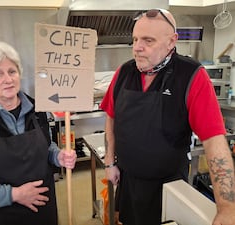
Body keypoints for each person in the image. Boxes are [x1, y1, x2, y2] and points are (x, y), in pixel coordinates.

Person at [100, 8, 235, 225]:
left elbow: (213, 140)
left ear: (172, 41)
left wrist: (227, 207)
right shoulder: (124, 72)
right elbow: (111, 117)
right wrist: (109, 161)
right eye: (134, 39)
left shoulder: (191, 75)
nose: (137, 48)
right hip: (128, 181)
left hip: (168, 186)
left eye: (148, 40)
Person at [0, 41, 77, 225]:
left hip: (43, 213)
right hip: (0, 216)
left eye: (12, 71)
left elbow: (47, 146)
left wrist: (58, 156)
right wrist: (15, 194)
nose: (8, 79)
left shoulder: (38, 109)